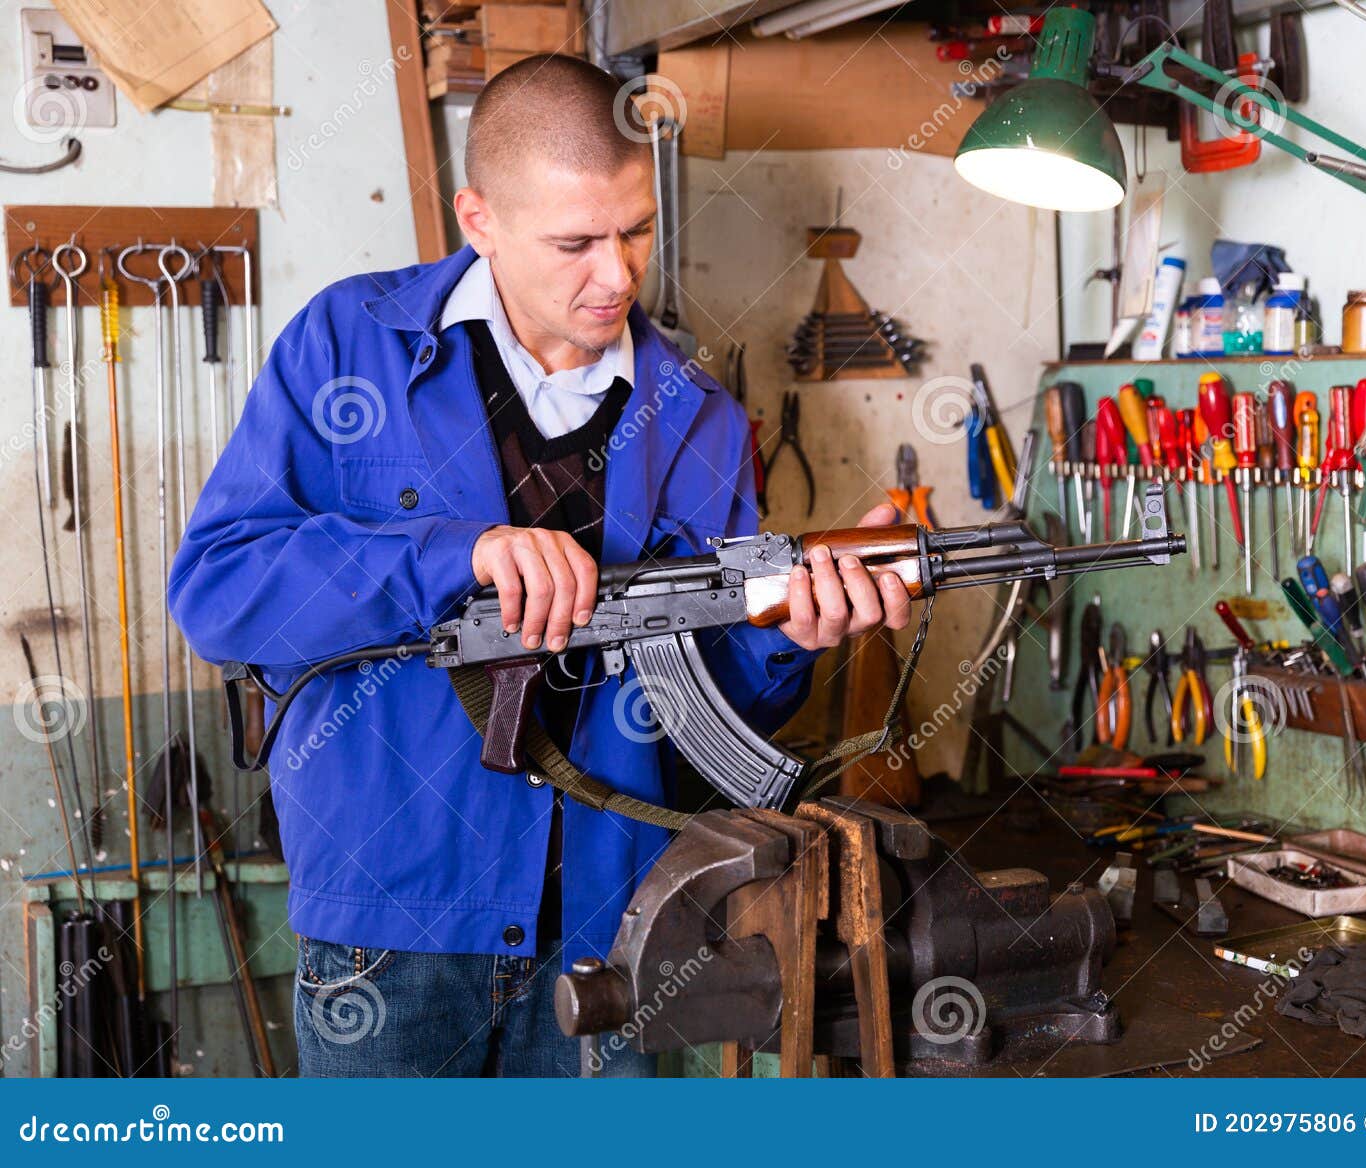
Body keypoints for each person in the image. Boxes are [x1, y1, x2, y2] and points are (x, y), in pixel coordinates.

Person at [168, 54, 911, 1077]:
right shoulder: (351, 346)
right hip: (396, 927)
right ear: (478, 219)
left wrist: (790, 636)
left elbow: (708, 718)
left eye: (636, 231)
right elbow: (218, 589)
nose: (616, 275)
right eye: (576, 242)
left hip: (621, 923)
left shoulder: (696, 415)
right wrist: (453, 555)